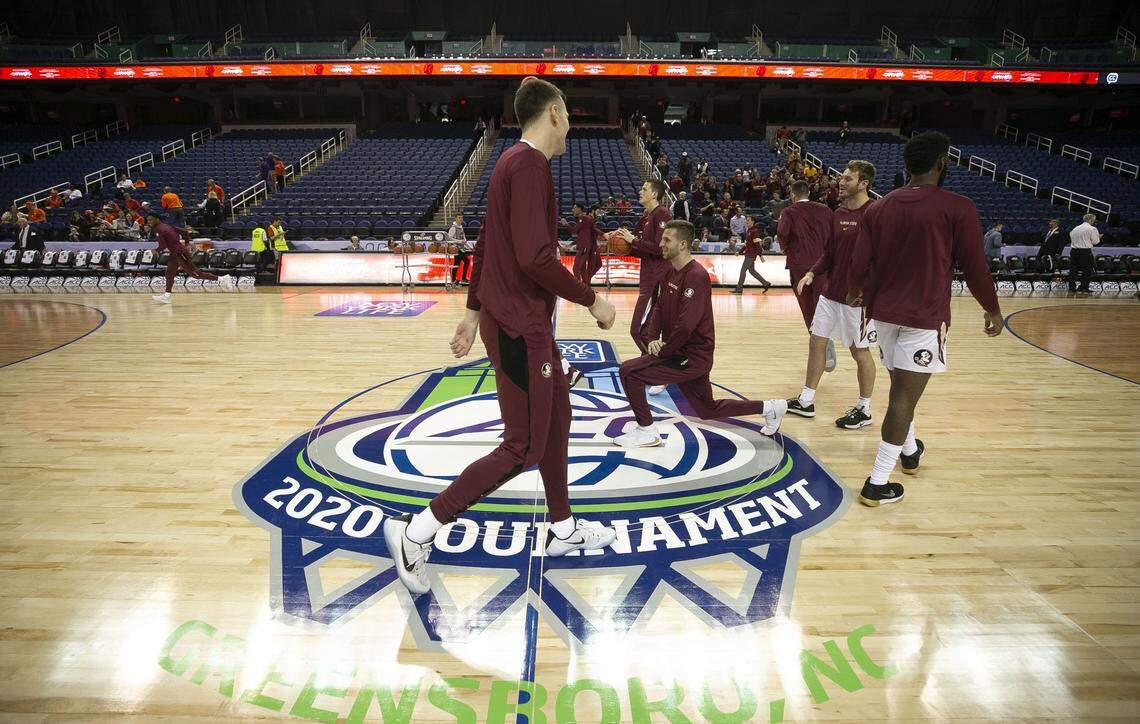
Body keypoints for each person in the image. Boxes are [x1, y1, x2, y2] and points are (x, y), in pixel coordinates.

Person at [381, 76, 619, 598]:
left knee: (559, 409)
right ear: (554, 112)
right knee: (524, 445)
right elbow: (535, 258)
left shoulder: (508, 164)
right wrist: (592, 300)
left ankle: (562, 526)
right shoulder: (529, 165)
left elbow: (488, 243)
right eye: (570, 114)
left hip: (511, 320)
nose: (572, 124)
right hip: (519, 328)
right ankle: (418, 531)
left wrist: (470, 313)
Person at [847, 131, 1002, 507]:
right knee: (903, 396)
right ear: (943, 162)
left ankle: (911, 450)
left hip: (882, 314)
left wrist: (855, 292)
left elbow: (858, 262)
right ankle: (877, 482)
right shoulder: (958, 206)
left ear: (906, 166)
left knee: (902, 386)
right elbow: (975, 266)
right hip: (924, 315)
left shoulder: (879, 208)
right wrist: (992, 307)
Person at [614, 220, 787, 447]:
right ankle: (771, 408)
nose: (661, 244)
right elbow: (658, 307)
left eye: (667, 240)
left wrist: (663, 351)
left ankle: (646, 430)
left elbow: (686, 325)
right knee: (707, 409)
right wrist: (653, 338)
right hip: (682, 353)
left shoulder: (696, 275)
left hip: (691, 356)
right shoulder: (669, 272)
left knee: (629, 372)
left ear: (683, 244)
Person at [787, 160, 879, 428]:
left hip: (858, 300)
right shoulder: (837, 213)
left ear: (864, 184)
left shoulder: (874, 214)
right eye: (842, 177)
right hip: (830, 294)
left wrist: (866, 291)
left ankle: (864, 409)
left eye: (848, 179)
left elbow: (881, 259)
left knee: (859, 353)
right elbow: (829, 253)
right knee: (816, 342)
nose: (841, 182)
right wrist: (812, 273)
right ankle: (806, 400)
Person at [611, 178, 672, 361]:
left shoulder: (662, 214)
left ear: (654, 194)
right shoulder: (646, 217)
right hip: (648, 278)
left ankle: (659, 366)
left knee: (638, 330)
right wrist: (620, 244)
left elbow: (660, 249)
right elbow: (644, 250)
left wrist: (633, 241)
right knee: (643, 332)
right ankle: (652, 366)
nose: (640, 191)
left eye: (644, 189)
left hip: (657, 279)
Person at [778, 180, 832, 332]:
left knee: (807, 308)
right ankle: (825, 342)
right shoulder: (826, 210)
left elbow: (782, 233)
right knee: (823, 305)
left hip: (799, 265)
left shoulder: (788, 212)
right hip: (823, 265)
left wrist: (784, 248)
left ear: (792, 195)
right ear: (808, 193)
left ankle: (818, 342)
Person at [147, 212, 234, 303]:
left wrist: (154, 251)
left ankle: (223, 279)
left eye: (150, 219)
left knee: (196, 274)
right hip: (175, 253)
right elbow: (184, 232)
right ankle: (167, 296)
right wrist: (187, 243)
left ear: (157, 219)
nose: (149, 221)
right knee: (169, 273)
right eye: (148, 220)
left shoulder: (159, 229)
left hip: (180, 253)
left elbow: (163, 245)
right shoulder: (167, 226)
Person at [561, 202, 604, 285]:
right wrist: (572, 243)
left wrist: (566, 224)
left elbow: (578, 232)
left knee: (580, 269)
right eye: (598, 211)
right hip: (589, 247)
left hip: (588, 247)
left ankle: (582, 287)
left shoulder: (585, 218)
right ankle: (585, 287)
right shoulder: (586, 218)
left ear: (579, 209)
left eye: (574, 208)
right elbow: (582, 235)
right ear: (592, 211)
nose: (572, 209)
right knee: (583, 269)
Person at [732, 216, 772, 294]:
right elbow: (746, 244)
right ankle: (766, 283)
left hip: (750, 255)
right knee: (752, 271)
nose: (746, 221)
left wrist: (760, 255)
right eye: (746, 220)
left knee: (743, 270)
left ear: (752, 221)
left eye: (748, 220)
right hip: (749, 254)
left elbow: (757, 244)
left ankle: (739, 288)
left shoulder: (754, 231)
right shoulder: (749, 231)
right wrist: (739, 252)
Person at [1067, 213, 1100, 293]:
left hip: (1074, 251)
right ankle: (1083, 287)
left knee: (1073, 270)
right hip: (1085, 252)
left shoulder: (1075, 228)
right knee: (1087, 270)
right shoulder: (1092, 229)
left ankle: (1071, 288)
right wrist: (1098, 237)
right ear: (1091, 220)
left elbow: (1071, 237)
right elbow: (1095, 242)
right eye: (1094, 220)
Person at [447, 214, 471, 285]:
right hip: (456, 248)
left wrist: (468, 246)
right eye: (459, 218)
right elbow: (450, 238)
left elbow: (463, 237)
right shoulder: (453, 228)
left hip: (461, 248)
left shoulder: (461, 227)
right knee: (465, 261)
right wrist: (460, 241)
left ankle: (454, 279)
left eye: (461, 218)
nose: (460, 219)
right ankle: (460, 279)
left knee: (457, 264)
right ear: (455, 218)